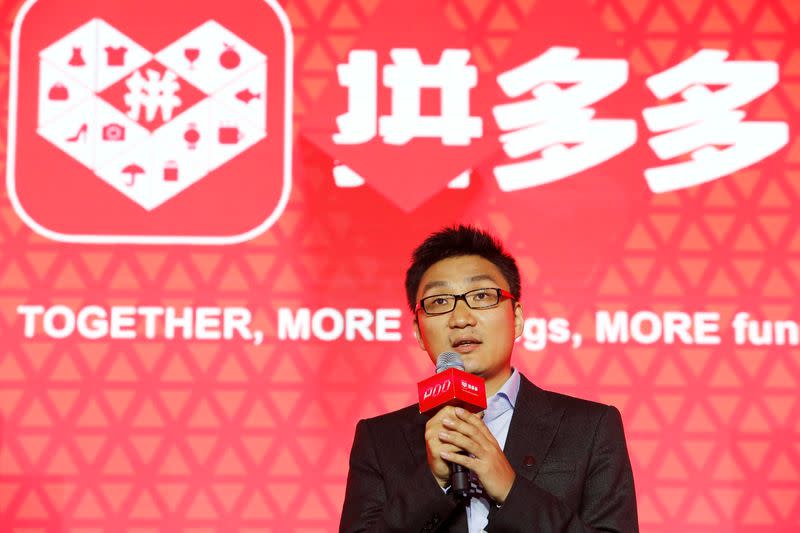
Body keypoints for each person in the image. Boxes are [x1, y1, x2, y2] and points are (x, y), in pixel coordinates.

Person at [340, 225, 638, 532]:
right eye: (439, 302)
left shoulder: (591, 428)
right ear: (417, 330)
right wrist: (431, 484)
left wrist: (512, 491)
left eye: (482, 296)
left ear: (517, 317)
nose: (460, 319)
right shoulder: (379, 440)